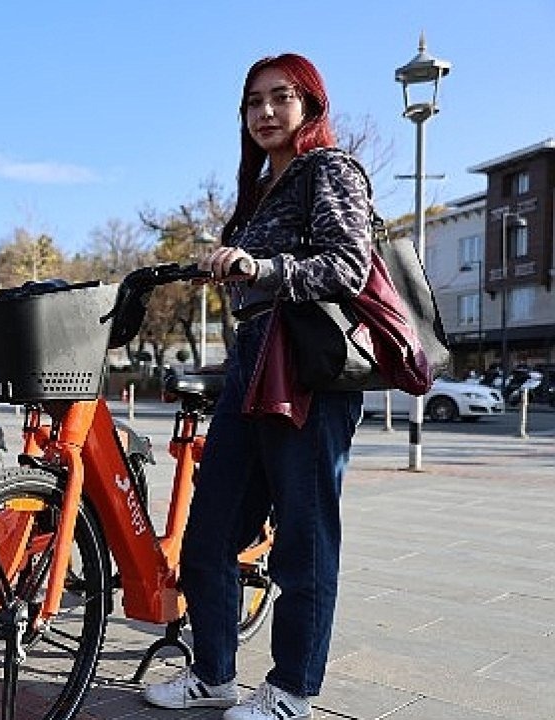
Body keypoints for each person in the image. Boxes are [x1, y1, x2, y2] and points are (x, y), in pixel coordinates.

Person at [143, 54, 372, 720]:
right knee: (209, 532)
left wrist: (260, 266)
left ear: (311, 106)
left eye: (281, 98)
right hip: (252, 361)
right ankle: (213, 674)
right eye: (253, 102)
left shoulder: (329, 170)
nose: (265, 112)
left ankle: (292, 691)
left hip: (307, 366)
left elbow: (348, 265)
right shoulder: (257, 192)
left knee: (303, 535)